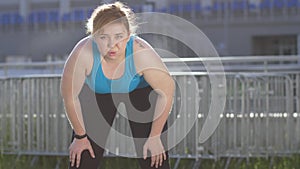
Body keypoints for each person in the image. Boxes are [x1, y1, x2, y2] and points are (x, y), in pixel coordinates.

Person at [60, 1, 175, 169]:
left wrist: (155, 136)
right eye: (103, 37)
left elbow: (166, 92)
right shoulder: (82, 54)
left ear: (128, 36)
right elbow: (70, 98)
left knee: (154, 156)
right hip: (97, 94)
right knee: (83, 156)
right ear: (93, 36)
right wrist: (80, 137)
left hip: (140, 92)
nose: (112, 44)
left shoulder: (141, 53)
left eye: (119, 37)